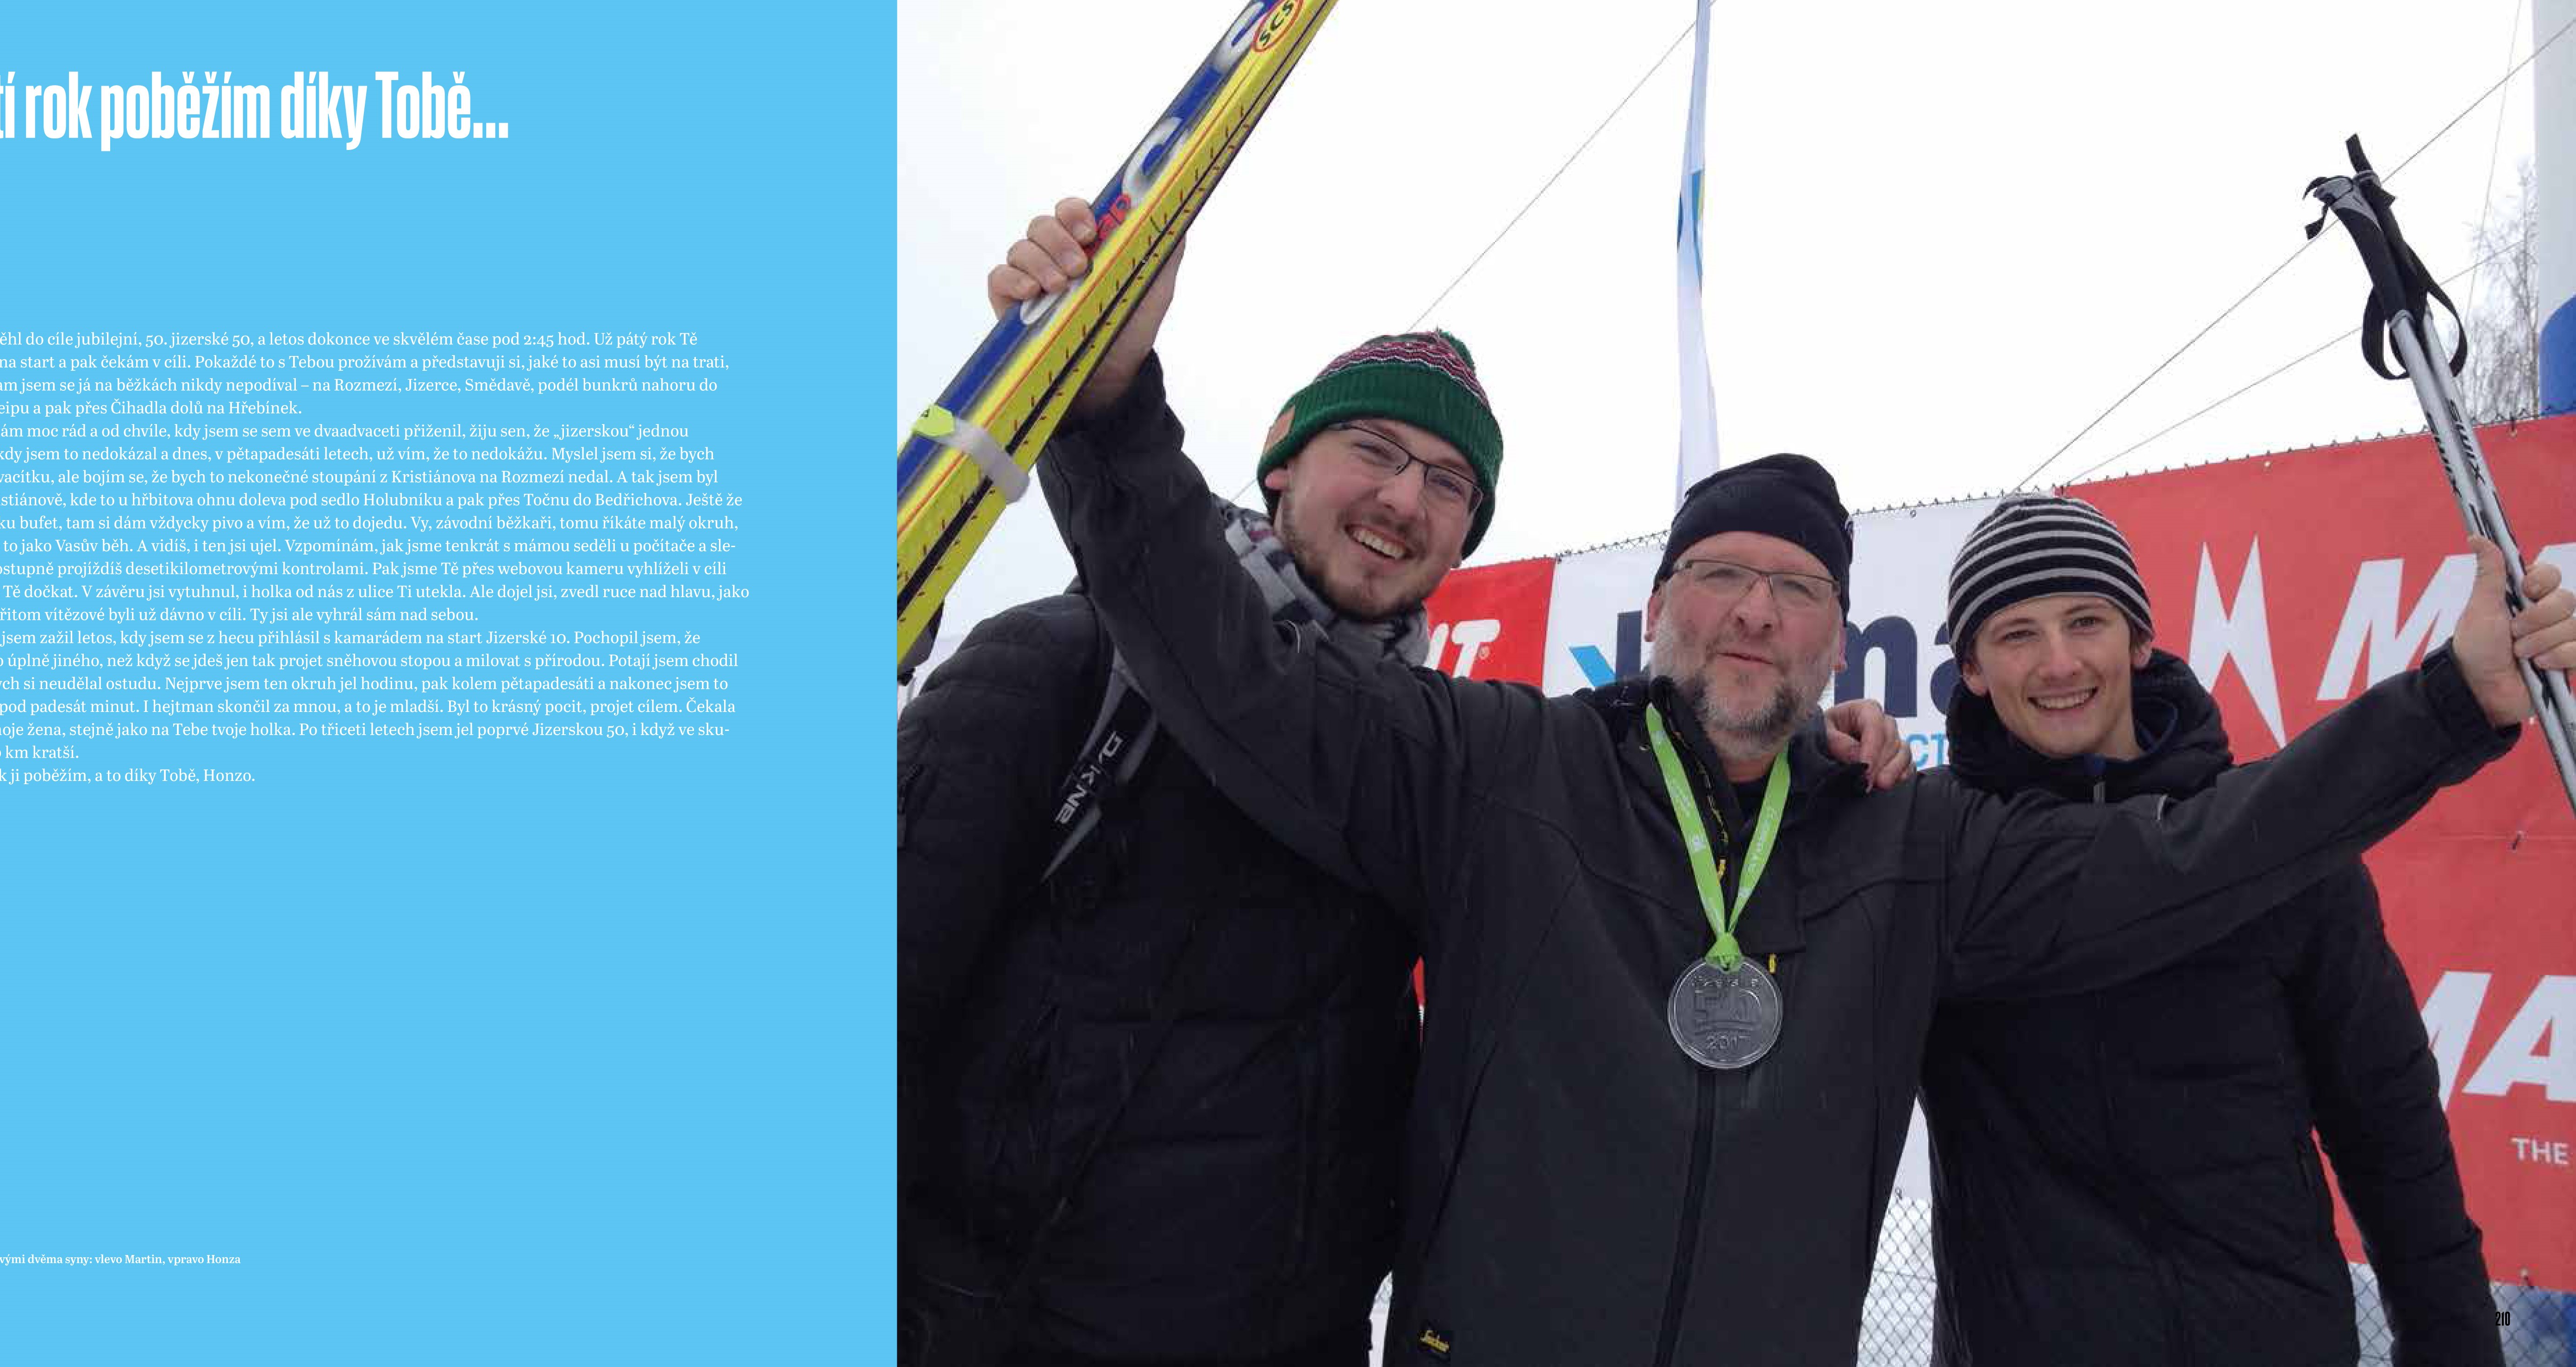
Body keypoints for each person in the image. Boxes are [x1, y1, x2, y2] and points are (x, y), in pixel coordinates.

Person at [1008, 203, 2576, 1366]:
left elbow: (2198, 855)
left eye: (1795, 588)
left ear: (1840, 637)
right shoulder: (1494, 765)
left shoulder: (1919, 848)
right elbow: (1239, 678)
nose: (1755, 612)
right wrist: (1109, 415)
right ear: (1658, 609)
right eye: (1721, 575)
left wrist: (2446, 704)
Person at [897, 201, 1916, 1367]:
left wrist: (1810, 751)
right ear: (1281, 458)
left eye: (1447, 483)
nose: (1403, 501)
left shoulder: (1448, 758)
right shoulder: (1065, 668)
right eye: (1374, 452)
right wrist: (1106, 403)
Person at [1921, 495, 2503, 1367]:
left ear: (2138, 639)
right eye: (2016, 634)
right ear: (1970, 668)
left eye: (2086, 621)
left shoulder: (2288, 857)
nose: (2058, 662)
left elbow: (2390, 1133)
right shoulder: (1936, 857)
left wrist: (2455, 1346)